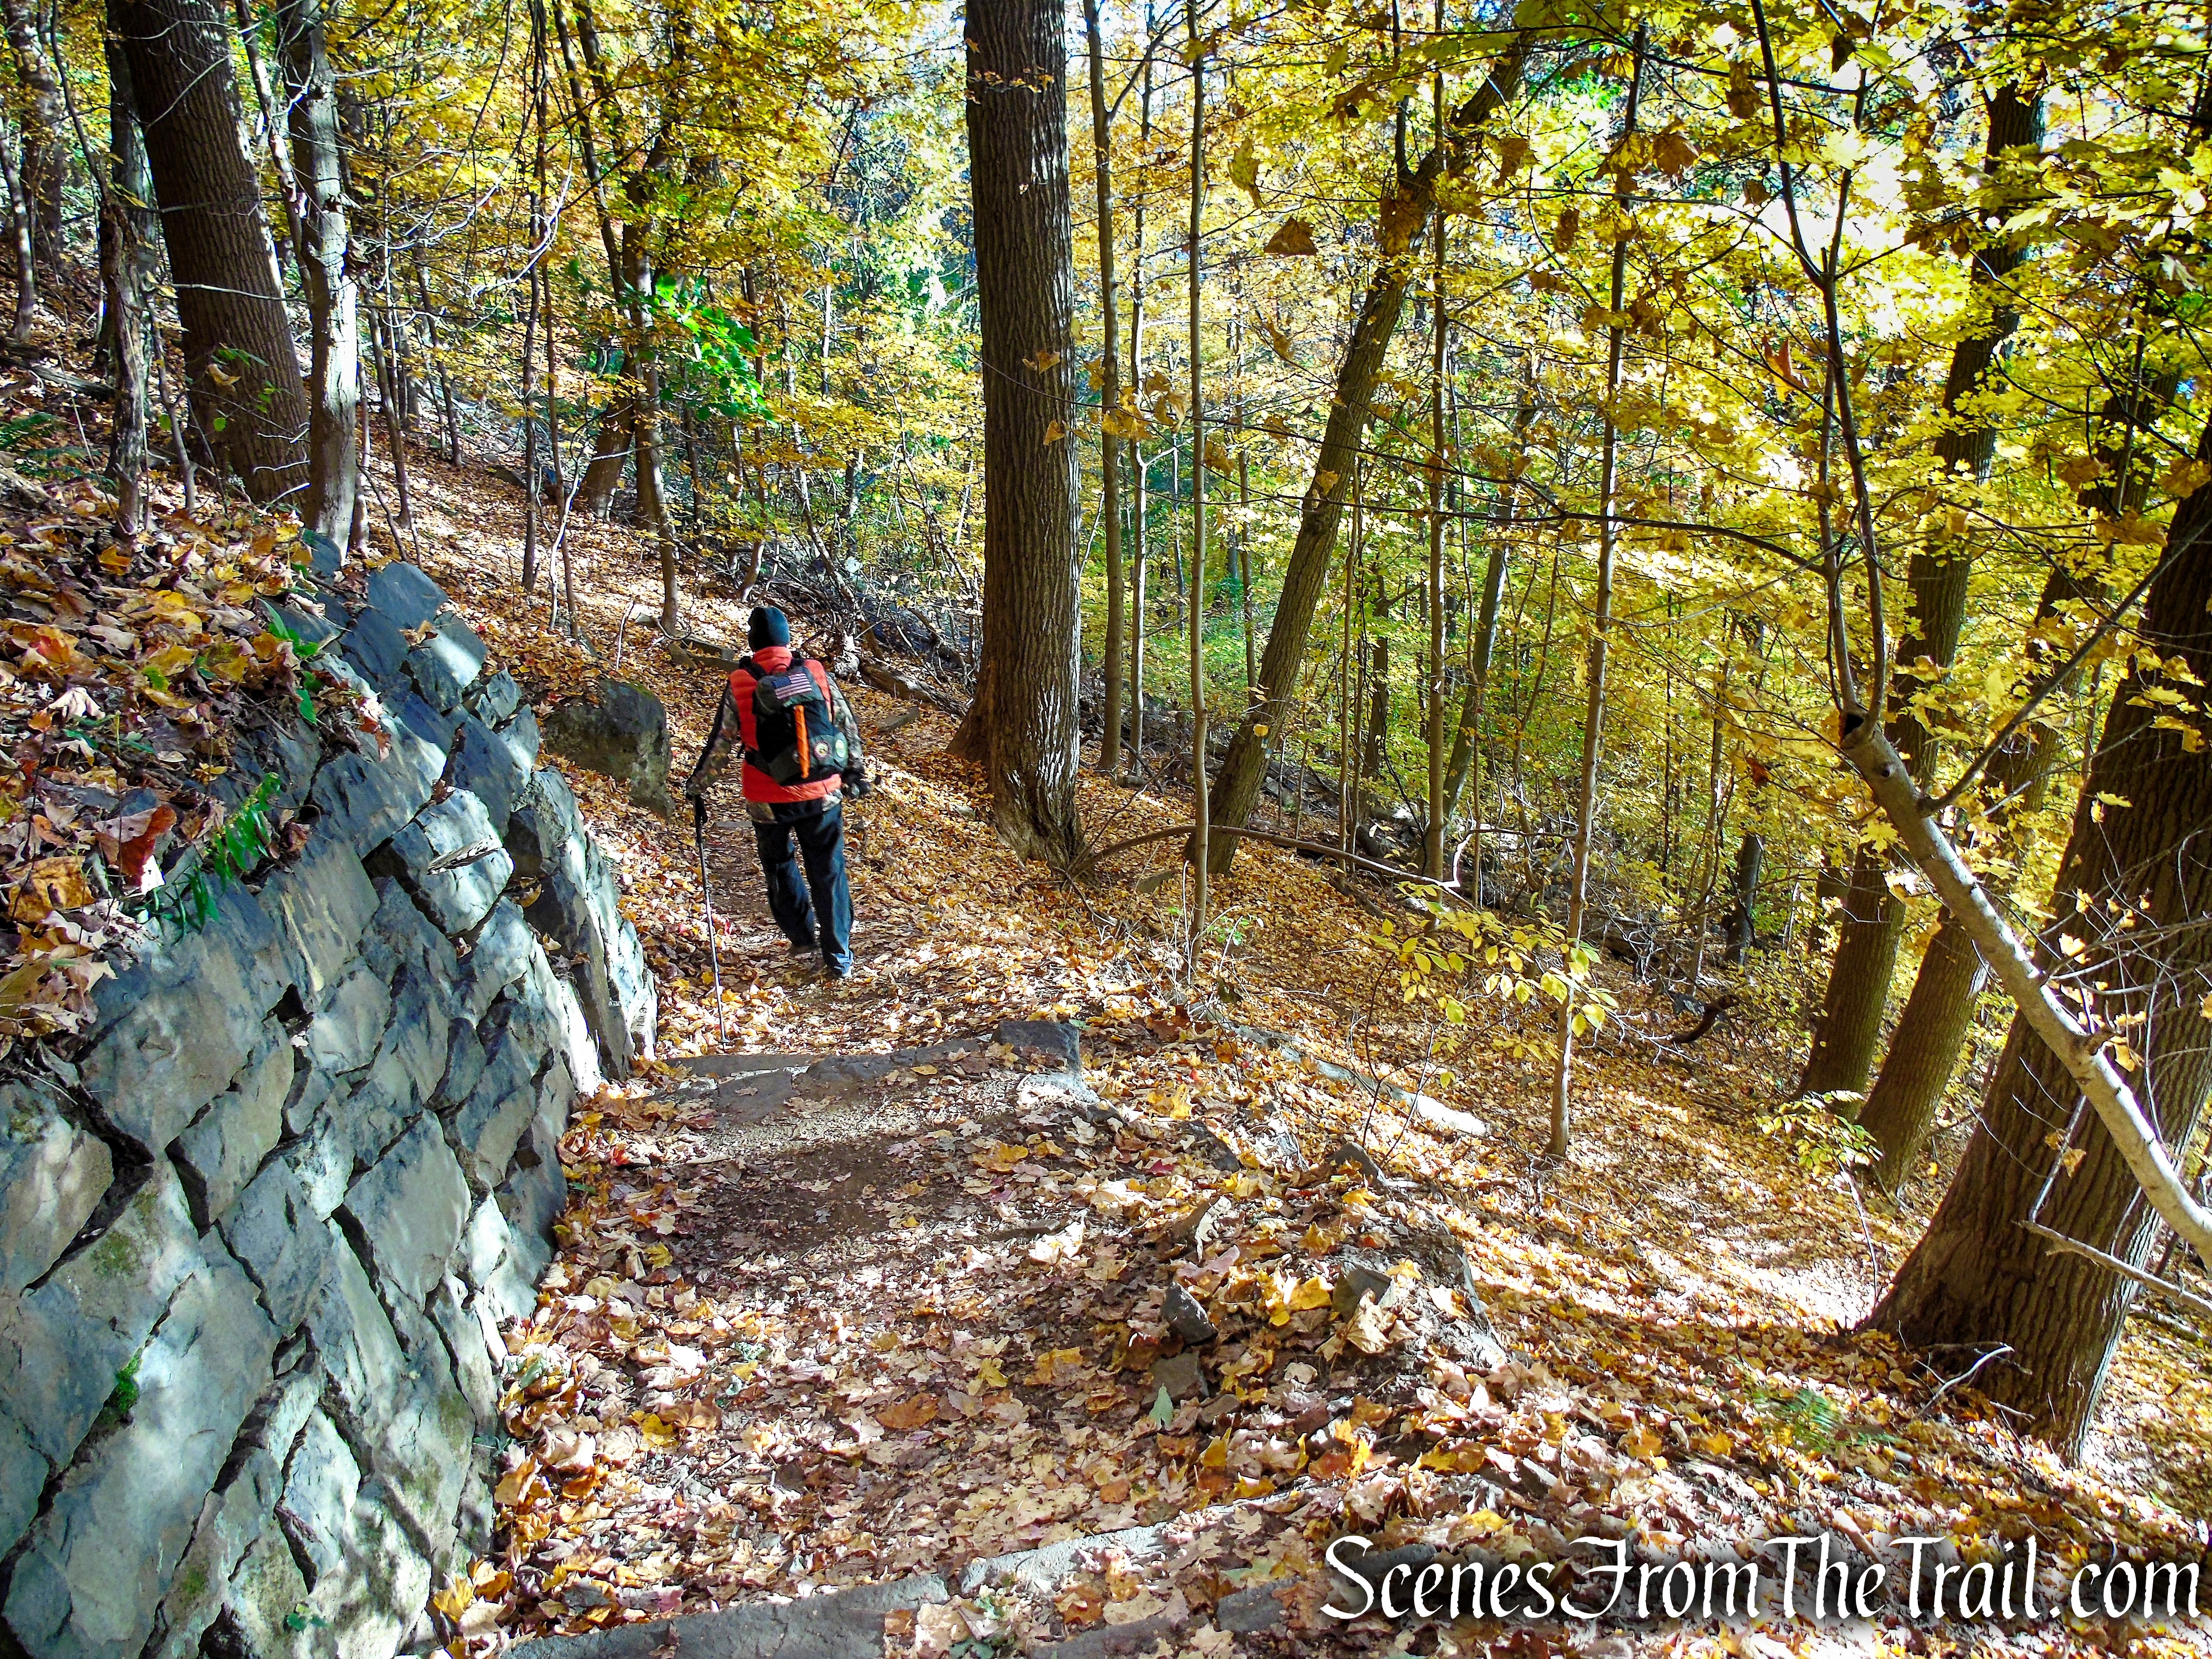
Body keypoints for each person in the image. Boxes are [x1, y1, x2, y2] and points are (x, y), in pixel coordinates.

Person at [682, 606, 866, 979]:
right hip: (822, 791)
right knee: (829, 871)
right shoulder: (815, 672)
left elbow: (721, 743)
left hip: (767, 797)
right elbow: (845, 724)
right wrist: (854, 771)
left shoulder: (740, 682)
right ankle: (840, 956)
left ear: (753, 644)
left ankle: (801, 937)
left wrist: (697, 788)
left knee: (780, 865)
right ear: (786, 640)